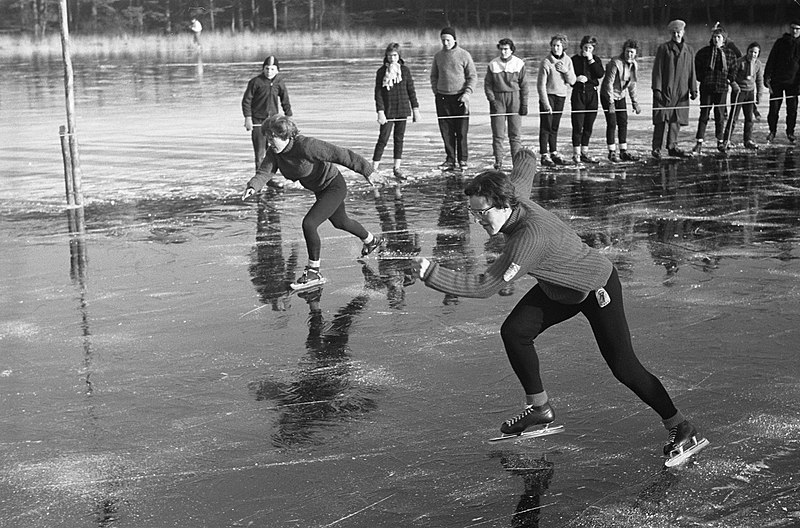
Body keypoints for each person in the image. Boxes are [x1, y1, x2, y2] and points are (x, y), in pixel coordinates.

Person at [411, 149, 705, 461]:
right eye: (473, 213)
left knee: (624, 367)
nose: (477, 220)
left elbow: (486, 286)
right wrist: (525, 154)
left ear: (504, 205)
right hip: (560, 288)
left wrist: (432, 273)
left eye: (482, 213)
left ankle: (681, 425)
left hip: (595, 286)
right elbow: (523, 175)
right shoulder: (512, 196)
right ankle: (540, 408)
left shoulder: (528, 241)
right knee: (515, 331)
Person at [242, 116, 385, 289]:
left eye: (272, 138)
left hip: (334, 186)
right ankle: (372, 240)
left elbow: (342, 155)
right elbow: (265, 171)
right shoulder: (275, 153)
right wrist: (253, 186)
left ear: (285, 135)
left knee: (309, 224)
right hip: (320, 190)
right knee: (341, 222)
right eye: (267, 138)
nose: (269, 142)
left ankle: (313, 271)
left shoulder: (307, 146)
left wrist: (367, 171)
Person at [430, 27, 478, 172]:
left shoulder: (464, 55)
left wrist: (467, 93)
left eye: (448, 40)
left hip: (460, 98)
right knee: (446, 131)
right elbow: (433, 76)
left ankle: (462, 160)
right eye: (443, 40)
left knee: (461, 131)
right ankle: (450, 159)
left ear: (454, 40)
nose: (445, 43)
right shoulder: (438, 56)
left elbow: (473, 76)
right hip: (443, 98)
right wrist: (436, 91)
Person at [372, 43, 421, 181]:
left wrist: (415, 109)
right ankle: (374, 168)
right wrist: (380, 111)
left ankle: (396, 167)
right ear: (386, 56)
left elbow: (411, 91)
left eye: (394, 55)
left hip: (402, 109)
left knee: (399, 139)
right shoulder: (381, 72)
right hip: (388, 111)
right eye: (389, 55)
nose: (392, 58)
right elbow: (378, 94)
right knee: (383, 139)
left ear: (399, 56)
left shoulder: (405, 71)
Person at [651, 20, 697, 159]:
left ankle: (672, 147)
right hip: (666, 90)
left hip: (681, 91)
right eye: (674, 32)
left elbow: (691, 71)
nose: (677, 34)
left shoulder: (689, 50)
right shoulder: (664, 48)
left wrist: (693, 89)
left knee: (676, 119)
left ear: (683, 32)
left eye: (679, 32)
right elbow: (657, 70)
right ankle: (656, 148)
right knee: (661, 119)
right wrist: (657, 89)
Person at [484, 38, 529, 171]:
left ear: (511, 50)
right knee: (498, 133)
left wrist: (524, 104)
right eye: (501, 49)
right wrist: (492, 100)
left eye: (506, 49)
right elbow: (488, 85)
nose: (503, 52)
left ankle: (516, 162)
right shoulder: (493, 64)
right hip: (498, 99)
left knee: (515, 134)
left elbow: (524, 85)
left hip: (514, 98)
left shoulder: (519, 63)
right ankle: (498, 161)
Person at [692, 26, 738, 155]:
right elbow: (697, 68)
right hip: (707, 87)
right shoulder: (703, 52)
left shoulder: (729, 53)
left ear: (724, 39)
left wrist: (730, 79)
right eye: (714, 37)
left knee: (719, 115)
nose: (716, 39)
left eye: (719, 37)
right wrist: (703, 78)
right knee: (704, 114)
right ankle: (699, 142)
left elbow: (733, 70)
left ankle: (720, 141)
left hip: (722, 88)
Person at [242, 56, 292, 169]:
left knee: (276, 151)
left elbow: (285, 100)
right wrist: (248, 118)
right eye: (267, 68)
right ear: (263, 69)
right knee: (260, 154)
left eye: (272, 69)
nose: (269, 71)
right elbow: (246, 101)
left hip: (273, 122)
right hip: (258, 122)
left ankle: (270, 178)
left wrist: (288, 117)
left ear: (277, 70)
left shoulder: (279, 83)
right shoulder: (255, 82)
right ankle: (259, 180)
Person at [601, 39, 642, 162]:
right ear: (624, 51)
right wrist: (611, 102)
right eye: (627, 51)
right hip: (608, 95)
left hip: (621, 95)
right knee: (612, 123)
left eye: (632, 52)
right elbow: (609, 83)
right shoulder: (615, 63)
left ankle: (623, 151)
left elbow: (632, 84)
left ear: (635, 54)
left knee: (623, 122)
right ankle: (612, 152)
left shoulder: (634, 65)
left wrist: (635, 102)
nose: (629, 54)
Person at [538, 34, 576, 167]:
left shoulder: (568, 61)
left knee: (554, 126)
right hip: (548, 96)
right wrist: (545, 103)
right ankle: (544, 154)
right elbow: (541, 85)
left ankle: (553, 152)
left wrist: (566, 71)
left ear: (563, 47)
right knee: (546, 126)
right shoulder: (546, 62)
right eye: (553, 45)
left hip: (561, 96)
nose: (555, 48)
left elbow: (572, 81)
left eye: (558, 45)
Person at [570, 35, 605, 164]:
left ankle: (584, 152)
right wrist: (576, 79)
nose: (587, 50)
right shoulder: (574, 60)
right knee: (578, 125)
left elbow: (600, 74)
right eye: (585, 47)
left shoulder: (595, 60)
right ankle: (576, 154)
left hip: (592, 94)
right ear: (581, 46)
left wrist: (590, 60)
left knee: (588, 125)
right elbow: (568, 77)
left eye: (590, 48)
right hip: (578, 93)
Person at [764, 20, 800, 143]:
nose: (794, 31)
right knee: (773, 109)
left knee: (792, 110)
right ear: (790, 29)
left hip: (794, 83)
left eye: (797, 29)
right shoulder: (780, 42)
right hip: (777, 81)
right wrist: (767, 77)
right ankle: (772, 131)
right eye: (793, 28)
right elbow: (771, 60)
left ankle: (790, 132)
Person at [724, 42, 765, 150]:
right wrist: (735, 86)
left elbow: (760, 81)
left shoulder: (758, 64)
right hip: (739, 92)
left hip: (750, 93)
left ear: (758, 54)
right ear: (747, 52)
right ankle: (726, 140)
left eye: (755, 52)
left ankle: (748, 140)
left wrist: (759, 95)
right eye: (751, 52)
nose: (753, 54)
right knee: (734, 117)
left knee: (749, 118)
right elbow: (731, 76)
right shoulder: (740, 62)